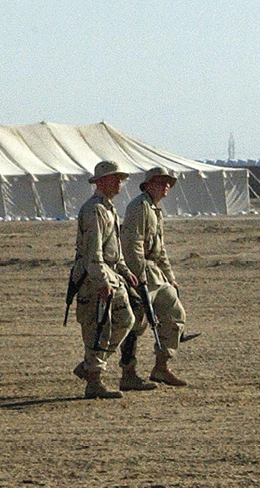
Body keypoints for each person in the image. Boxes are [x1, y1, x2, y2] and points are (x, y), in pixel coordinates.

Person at [70, 160, 138, 399]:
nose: (119, 183)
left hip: (111, 274)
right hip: (94, 277)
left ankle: (90, 366)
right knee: (98, 329)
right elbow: (93, 253)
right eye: (114, 178)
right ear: (100, 182)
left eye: (120, 178)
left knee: (125, 320)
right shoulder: (95, 210)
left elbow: (113, 250)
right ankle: (94, 380)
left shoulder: (109, 209)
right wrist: (102, 282)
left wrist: (125, 271)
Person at [119, 166, 188, 388]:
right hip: (141, 273)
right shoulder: (139, 207)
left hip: (155, 274)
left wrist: (170, 277)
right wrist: (138, 277)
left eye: (168, 182)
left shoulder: (155, 210)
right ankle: (128, 373)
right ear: (148, 184)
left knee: (175, 313)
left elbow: (161, 249)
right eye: (161, 182)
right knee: (135, 324)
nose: (166, 186)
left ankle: (162, 366)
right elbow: (133, 245)